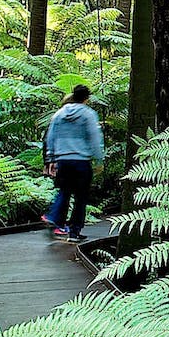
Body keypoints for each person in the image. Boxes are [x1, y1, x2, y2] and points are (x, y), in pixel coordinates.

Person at [42, 84, 104, 242]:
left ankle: (54, 217)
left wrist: (51, 157)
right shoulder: (88, 114)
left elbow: (50, 137)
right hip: (81, 161)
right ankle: (74, 232)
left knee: (64, 191)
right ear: (86, 98)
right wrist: (98, 159)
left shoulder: (59, 114)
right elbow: (94, 137)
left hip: (63, 160)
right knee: (81, 197)